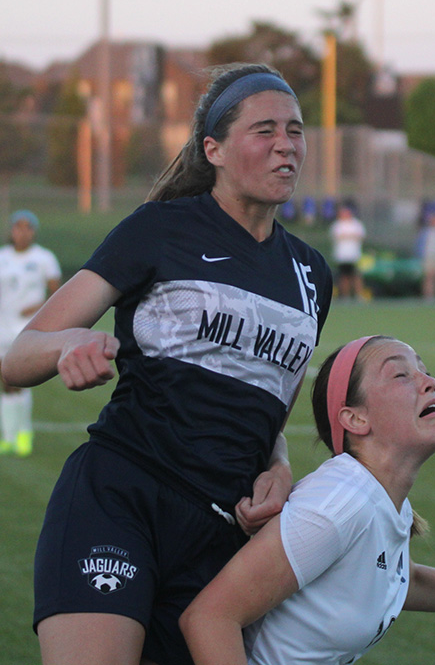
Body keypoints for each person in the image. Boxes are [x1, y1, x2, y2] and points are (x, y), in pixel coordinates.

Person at [1, 63, 333, 665]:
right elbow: (17, 356)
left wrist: (280, 469)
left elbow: (266, 410)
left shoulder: (312, 277)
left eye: (295, 129)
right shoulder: (158, 231)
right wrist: (67, 345)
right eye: (264, 130)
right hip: (119, 499)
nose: (286, 144)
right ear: (215, 149)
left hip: (220, 539)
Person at [179, 334, 435, 665]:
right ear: (355, 419)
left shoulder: (380, 502)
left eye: (426, 371)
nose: (428, 382)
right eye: (401, 375)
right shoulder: (338, 504)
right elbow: (210, 618)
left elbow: (398, 580)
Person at [0, 210, 61, 457]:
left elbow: (56, 293)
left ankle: (24, 433)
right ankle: (8, 435)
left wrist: (36, 307)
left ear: (33, 231)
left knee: (20, 381)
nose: (22, 232)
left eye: (27, 227)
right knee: (5, 382)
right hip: (3, 326)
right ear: (12, 230)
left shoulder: (44, 257)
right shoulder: (3, 256)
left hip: (26, 329)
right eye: (18, 227)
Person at [330, 201, 366, 299]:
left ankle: (358, 295)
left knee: (356, 276)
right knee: (343, 276)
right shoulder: (337, 225)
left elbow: (359, 236)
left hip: (354, 255)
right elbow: (337, 236)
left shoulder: (356, 224)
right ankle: (345, 296)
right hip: (342, 256)